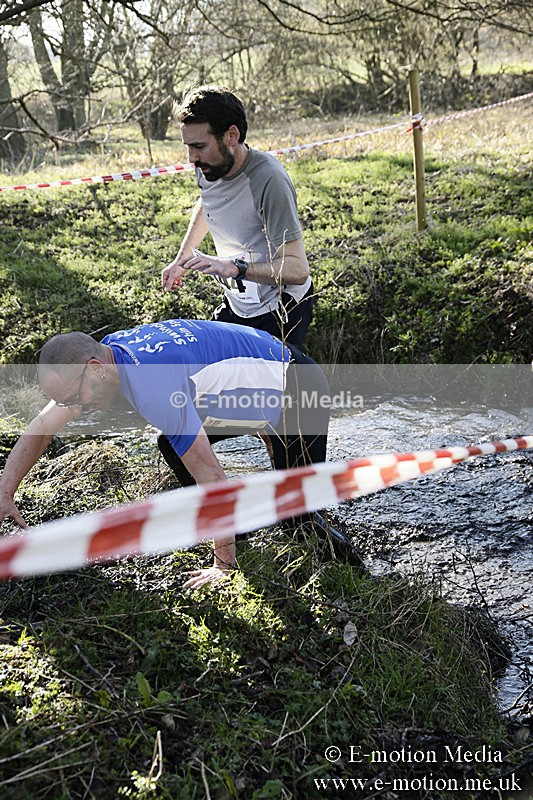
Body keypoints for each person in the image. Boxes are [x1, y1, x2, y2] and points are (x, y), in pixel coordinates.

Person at [0, 320, 365, 587]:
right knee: (171, 447)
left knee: (295, 517)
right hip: (258, 378)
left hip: (296, 388)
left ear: (94, 370)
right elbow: (44, 424)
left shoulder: (152, 387)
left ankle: (362, 578)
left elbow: (213, 479)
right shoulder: (111, 352)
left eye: (72, 399)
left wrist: (222, 567)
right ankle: (236, 531)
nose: (73, 410)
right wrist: (4, 492)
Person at [161, 86, 314, 351]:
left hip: (280, 308)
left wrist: (235, 268)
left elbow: (297, 270)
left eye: (199, 146)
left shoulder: (268, 180)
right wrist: (181, 260)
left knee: (270, 389)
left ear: (231, 135)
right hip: (238, 304)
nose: (191, 159)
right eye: (188, 146)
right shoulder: (209, 166)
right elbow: (209, 204)